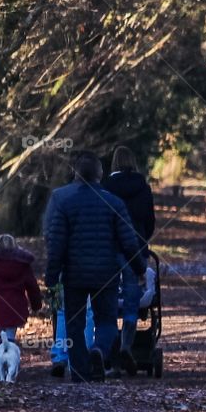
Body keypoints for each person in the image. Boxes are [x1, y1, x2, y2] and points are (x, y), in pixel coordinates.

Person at [44, 151, 146, 383]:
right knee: (107, 320)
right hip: (107, 274)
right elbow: (129, 242)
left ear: (76, 174)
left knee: (75, 323)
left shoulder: (65, 202)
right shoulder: (114, 203)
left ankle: (80, 371)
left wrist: (52, 275)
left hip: (74, 274)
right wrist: (140, 269)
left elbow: (56, 240)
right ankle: (99, 349)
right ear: (100, 174)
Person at [103, 144, 155, 375]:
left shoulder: (105, 188)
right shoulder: (143, 187)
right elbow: (150, 219)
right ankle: (127, 345)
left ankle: (113, 353)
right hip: (136, 247)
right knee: (133, 297)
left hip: (111, 248)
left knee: (111, 299)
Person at [0, 234, 43, 343]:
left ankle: (1, 355)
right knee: (10, 337)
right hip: (17, 306)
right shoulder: (23, 265)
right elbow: (32, 286)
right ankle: (10, 354)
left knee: (1, 336)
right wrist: (36, 305)